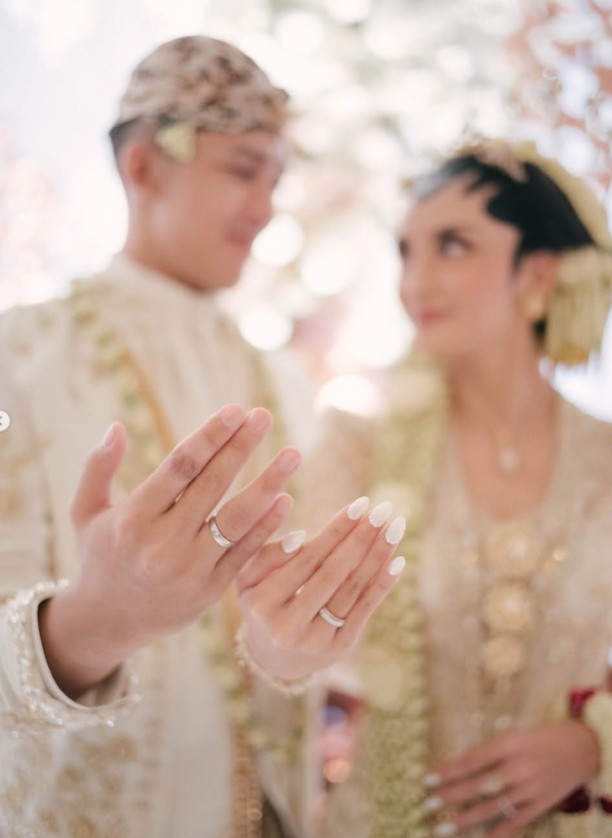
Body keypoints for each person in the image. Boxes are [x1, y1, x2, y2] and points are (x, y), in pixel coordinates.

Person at [0, 36, 407, 838]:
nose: (265, 207)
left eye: (276, 178)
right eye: (242, 169)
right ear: (146, 167)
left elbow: (295, 644)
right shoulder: (19, 359)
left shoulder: (285, 384)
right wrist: (94, 621)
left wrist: (293, 653)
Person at [303, 137, 612, 837]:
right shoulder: (358, 449)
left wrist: (594, 744)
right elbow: (283, 643)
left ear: (538, 275)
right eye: (406, 251)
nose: (414, 283)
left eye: (452, 246)